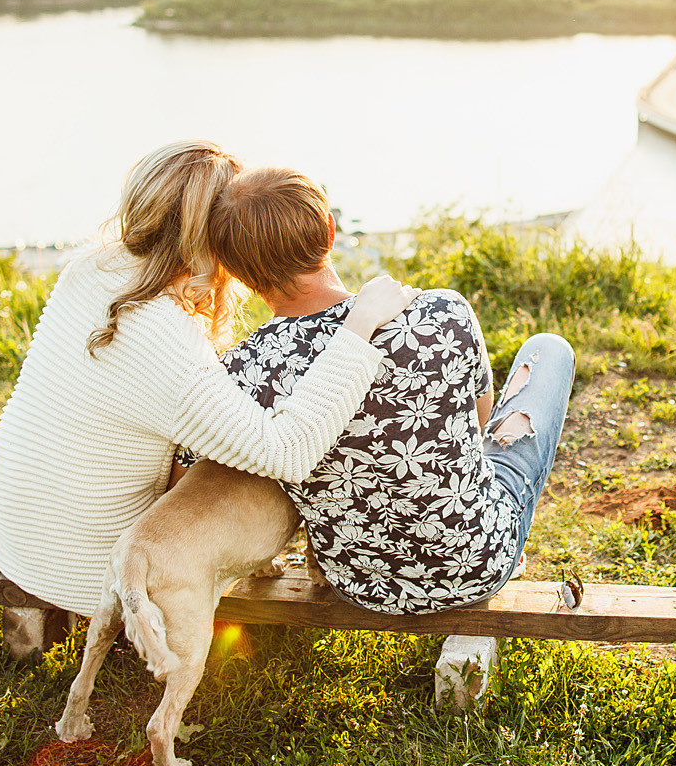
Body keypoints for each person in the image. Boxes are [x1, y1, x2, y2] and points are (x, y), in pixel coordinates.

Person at [0, 141, 419, 616]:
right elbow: (288, 454)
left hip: (15, 530)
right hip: (98, 572)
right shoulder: (167, 343)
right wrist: (358, 325)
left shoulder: (92, 264)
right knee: (257, 466)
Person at [188, 166, 574, 615]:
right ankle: (501, 529)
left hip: (359, 583)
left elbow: (196, 462)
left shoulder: (242, 372)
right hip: (477, 564)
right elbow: (480, 419)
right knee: (550, 349)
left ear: (235, 272)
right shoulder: (441, 310)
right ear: (330, 230)